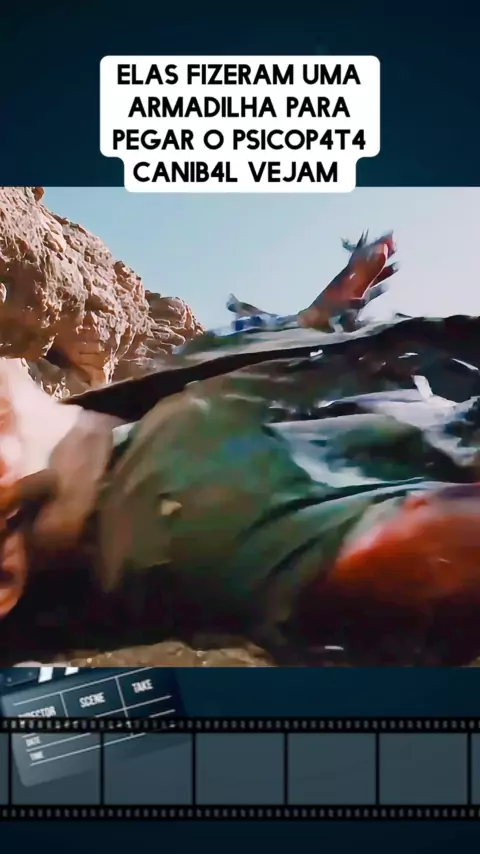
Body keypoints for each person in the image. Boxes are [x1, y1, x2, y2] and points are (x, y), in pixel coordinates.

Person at [2, 232, 480, 667]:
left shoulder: (143, 417)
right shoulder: (178, 505)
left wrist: (336, 299)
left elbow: (290, 335)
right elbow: (424, 549)